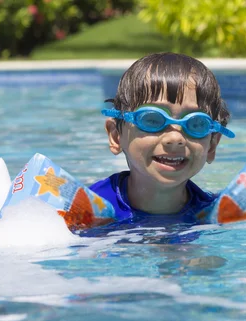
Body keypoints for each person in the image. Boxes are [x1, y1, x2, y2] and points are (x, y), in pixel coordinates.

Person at [89, 52, 235, 225]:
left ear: (212, 146)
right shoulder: (87, 210)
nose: (175, 137)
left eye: (196, 123)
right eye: (152, 120)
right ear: (116, 136)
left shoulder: (214, 216)